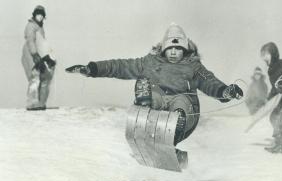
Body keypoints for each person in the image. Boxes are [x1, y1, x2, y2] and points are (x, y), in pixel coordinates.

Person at [66, 23, 243, 145]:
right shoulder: (150, 62)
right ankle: (144, 107)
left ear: (185, 49)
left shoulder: (193, 66)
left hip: (184, 110)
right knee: (149, 87)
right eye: (170, 48)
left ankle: (176, 126)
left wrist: (226, 91)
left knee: (180, 102)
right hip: (158, 107)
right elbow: (121, 66)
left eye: (178, 49)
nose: (174, 52)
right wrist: (92, 69)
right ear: (164, 48)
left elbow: (209, 82)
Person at [21, 5, 56, 111]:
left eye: (42, 15)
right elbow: (30, 41)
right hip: (31, 56)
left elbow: (42, 44)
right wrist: (35, 55)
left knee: (45, 77)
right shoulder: (31, 26)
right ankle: (32, 103)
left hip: (40, 56)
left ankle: (41, 103)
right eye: (38, 14)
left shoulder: (40, 27)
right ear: (34, 15)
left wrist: (48, 57)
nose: (40, 17)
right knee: (35, 78)